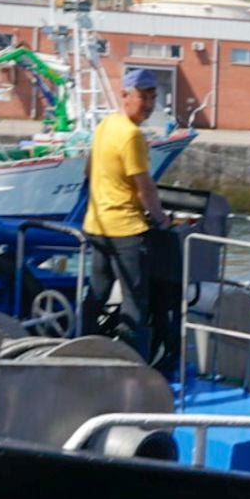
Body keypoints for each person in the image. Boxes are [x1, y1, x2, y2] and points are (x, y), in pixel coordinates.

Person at [83, 69, 170, 361]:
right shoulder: (131, 135)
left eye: (152, 97)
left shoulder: (105, 125)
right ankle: (131, 364)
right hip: (125, 230)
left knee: (97, 294)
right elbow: (144, 186)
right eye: (143, 97)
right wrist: (160, 218)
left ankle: (80, 351)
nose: (148, 104)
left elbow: (88, 170)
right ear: (126, 96)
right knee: (135, 301)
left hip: (97, 226)